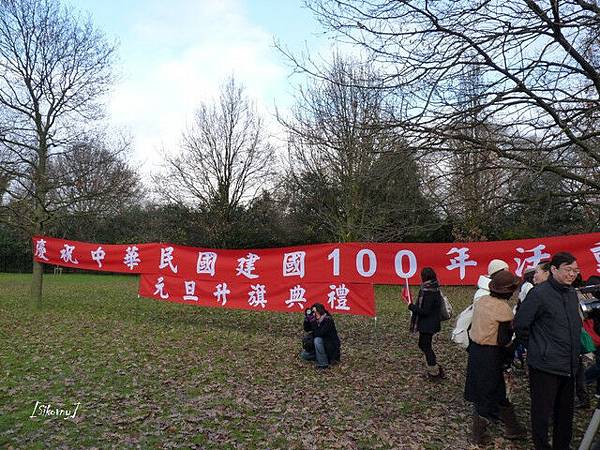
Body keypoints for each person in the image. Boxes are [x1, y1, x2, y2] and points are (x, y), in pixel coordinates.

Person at [514, 252, 582, 450]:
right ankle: (542, 445)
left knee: (565, 413)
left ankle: (562, 445)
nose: (572, 275)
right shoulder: (540, 293)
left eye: (575, 271)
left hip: (569, 363)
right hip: (545, 365)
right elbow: (520, 324)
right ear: (553, 269)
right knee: (542, 413)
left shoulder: (571, 294)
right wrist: (536, 348)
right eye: (568, 270)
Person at [464, 269, 526, 444]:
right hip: (491, 355)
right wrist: (512, 350)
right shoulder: (503, 310)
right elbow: (503, 340)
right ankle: (479, 435)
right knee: (488, 392)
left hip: (475, 350)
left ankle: (513, 427)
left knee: (496, 391)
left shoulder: (482, 300)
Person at [408, 267, 444, 381]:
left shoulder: (428, 291)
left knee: (425, 346)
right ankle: (435, 368)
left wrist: (412, 307)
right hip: (431, 323)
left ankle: (434, 371)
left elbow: (425, 311)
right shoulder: (435, 288)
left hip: (427, 324)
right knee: (424, 345)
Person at [300, 303, 340, 369]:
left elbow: (319, 333)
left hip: (330, 346)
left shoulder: (328, 320)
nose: (314, 314)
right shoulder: (314, 319)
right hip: (319, 347)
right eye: (313, 312)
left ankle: (323, 364)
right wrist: (307, 319)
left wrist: (313, 321)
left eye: (316, 312)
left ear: (320, 311)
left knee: (317, 340)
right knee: (304, 355)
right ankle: (322, 357)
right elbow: (307, 329)